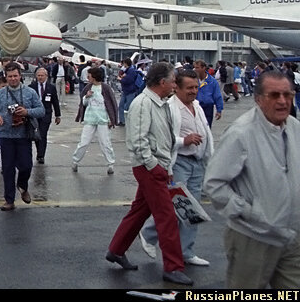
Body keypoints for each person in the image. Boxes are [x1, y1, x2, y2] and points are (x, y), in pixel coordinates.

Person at [203, 70, 300, 289]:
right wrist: (251, 213)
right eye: (274, 95)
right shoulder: (241, 133)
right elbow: (214, 184)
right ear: (258, 99)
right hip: (254, 239)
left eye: (288, 94)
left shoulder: (295, 128)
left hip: (293, 238)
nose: (283, 101)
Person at [104, 62, 192, 286]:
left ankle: (116, 249)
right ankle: (173, 267)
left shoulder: (160, 104)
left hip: (156, 166)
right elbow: (138, 141)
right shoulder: (143, 104)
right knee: (166, 217)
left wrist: (166, 168)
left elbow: (164, 139)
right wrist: (155, 167)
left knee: (140, 210)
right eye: (173, 81)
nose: (175, 85)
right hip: (148, 167)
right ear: (162, 82)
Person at [139, 68, 213, 268]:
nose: (193, 91)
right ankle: (149, 234)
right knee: (174, 206)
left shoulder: (196, 106)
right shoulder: (170, 108)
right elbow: (164, 138)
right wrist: (184, 141)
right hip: (179, 161)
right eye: (189, 88)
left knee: (193, 211)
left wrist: (209, 156)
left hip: (197, 162)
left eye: (196, 87)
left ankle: (187, 251)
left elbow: (206, 131)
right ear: (177, 88)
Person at [0, 61, 44, 211]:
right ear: (6, 77)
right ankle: (9, 200)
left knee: (26, 166)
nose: (13, 79)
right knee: (8, 169)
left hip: (24, 135)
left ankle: (22, 186)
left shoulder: (30, 92)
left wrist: (27, 112)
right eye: (10, 76)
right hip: (6, 135)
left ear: (20, 76)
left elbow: (41, 110)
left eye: (15, 76)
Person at [71, 66, 118, 174]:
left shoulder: (106, 88)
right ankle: (75, 161)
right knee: (84, 142)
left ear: (95, 76)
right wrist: (86, 97)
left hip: (103, 120)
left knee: (105, 143)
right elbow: (83, 103)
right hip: (90, 119)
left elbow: (112, 104)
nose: (88, 78)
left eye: (89, 76)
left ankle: (110, 164)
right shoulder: (88, 87)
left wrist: (111, 119)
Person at [29, 66, 61, 164]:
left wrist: (58, 115)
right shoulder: (31, 87)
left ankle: (41, 155)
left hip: (46, 114)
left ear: (46, 76)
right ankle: (39, 151)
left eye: (42, 75)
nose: (40, 77)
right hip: (34, 114)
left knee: (43, 134)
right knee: (36, 135)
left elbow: (55, 102)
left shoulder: (51, 88)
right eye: (38, 75)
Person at [192, 60, 223, 126]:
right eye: (195, 67)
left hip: (208, 107)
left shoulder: (212, 81)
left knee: (207, 126)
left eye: (197, 68)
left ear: (203, 68)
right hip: (195, 106)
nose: (195, 69)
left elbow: (217, 96)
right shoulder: (193, 80)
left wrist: (219, 110)